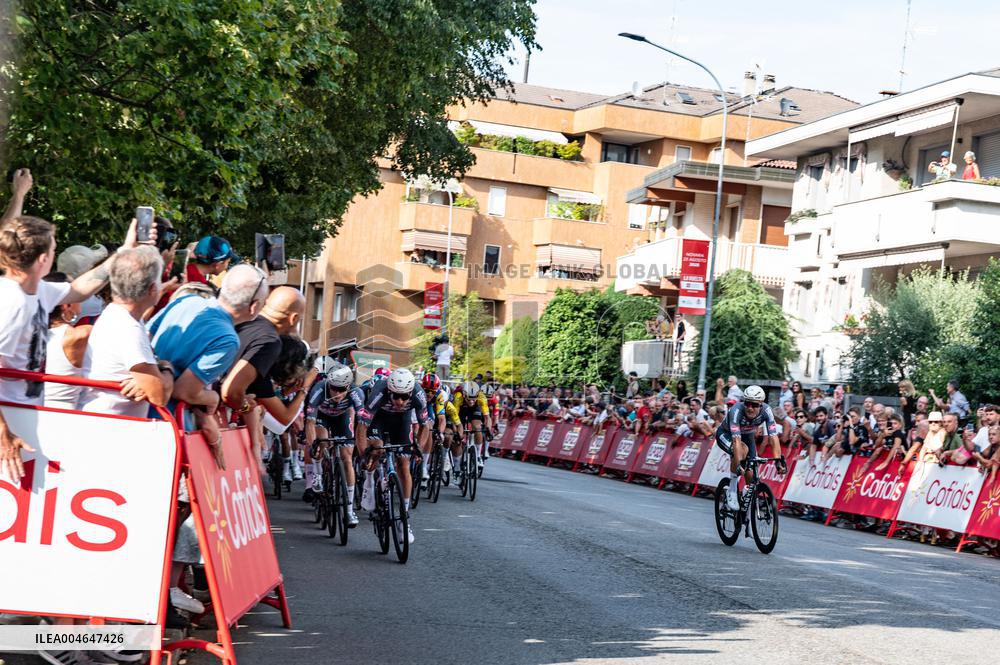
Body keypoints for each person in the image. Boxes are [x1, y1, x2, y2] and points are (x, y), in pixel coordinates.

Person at [0, 192, 153, 482]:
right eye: (55, 249)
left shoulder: (35, 291)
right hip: (10, 421)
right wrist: (3, 435)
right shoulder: (12, 304)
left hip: (25, 415)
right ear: (44, 259)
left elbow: (81, 288)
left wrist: (124, 251)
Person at [221, 286, 311, 472]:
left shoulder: (246, 321)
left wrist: (255, 443)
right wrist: (245, 406)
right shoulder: (270, 342)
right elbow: (231, 391)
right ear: (293, 319)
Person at [79, 247, 174, 418]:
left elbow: (151, 386)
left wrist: (150, 378)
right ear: (153, 289)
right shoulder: (129, 328)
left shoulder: (117, 314)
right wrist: (167, 369)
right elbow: (159, 396)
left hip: (105, 423)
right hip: (111, 430)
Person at [356, 368, 430, 545]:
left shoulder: (419, 394)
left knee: (404, 465)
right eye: (396, 396)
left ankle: (405, 518)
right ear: (389, 390)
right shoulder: (378, 392)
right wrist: (363, 454)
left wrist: (418, 447)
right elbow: (361, 427)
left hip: (401, 422)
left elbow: (424, 426)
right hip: (378, 419)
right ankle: (369, 482)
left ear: (411, 393)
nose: (400, 401)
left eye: (405, 397)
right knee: (377, 450)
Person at [304, 365, 364, 526]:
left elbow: (363, 423)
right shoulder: (318, 389)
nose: (337, 393)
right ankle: (317, 473)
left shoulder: (356, 393)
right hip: (321, 417)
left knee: (347, 459)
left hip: (341, 418)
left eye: (341, 389)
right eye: (334, 389)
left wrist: (360, 445)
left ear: (348, 387)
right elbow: (309, 422)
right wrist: (312, 447)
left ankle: (349, 509)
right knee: (321, 441)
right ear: (328, 385)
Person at [714, 385, 784, 511]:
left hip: (747, 435)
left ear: (761, 405)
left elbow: (773, 437)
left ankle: (747, 511)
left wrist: (778, 460)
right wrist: (739, 463)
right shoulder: (736, 411)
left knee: (751, 473)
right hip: (727, 435)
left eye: (755, 405)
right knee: (742, 450)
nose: (750, 408)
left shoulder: (767, 411)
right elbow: (736, 441)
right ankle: (732, 490)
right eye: (748, 404)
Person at [42, 273, 92, 410]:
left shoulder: (27, 333)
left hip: (25, 410)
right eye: (76, 295)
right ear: (66, 304)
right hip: (63, 414)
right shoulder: (79, 335)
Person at [454, 379, 493, 473]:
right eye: (469, 399)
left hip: (475, 409)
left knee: (477, 428)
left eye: (473, 399)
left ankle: (478, 455)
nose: (471, 401)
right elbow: (454, 418)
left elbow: (487, 418)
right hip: (461, 410)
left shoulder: (481, 397)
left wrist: (488, 430)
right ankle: (457, 465)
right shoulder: (458, 397)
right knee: (459, 435)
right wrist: (457, 433)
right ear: (464, 395)